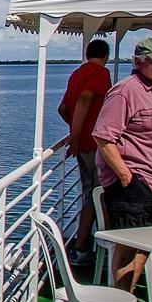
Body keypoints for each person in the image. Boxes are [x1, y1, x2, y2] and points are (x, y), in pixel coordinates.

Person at [92, 37, 152, 293]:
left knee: (145, 246)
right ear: (139, 62)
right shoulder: (126, 90)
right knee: (129, 246)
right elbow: (103, 136)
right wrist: (126, 176)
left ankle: (128, 301)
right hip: (135, 184)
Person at [57, 39, 111, 265]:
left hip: (82, 146)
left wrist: (74, 132)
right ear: (106, 55)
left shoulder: (76, 74)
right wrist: (78, 136)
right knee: (103, 195)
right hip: (95, 145)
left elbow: (63, 109)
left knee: (90, 194)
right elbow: (85, 99)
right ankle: (106, 247)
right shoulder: (100, 73)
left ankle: (81, 247)